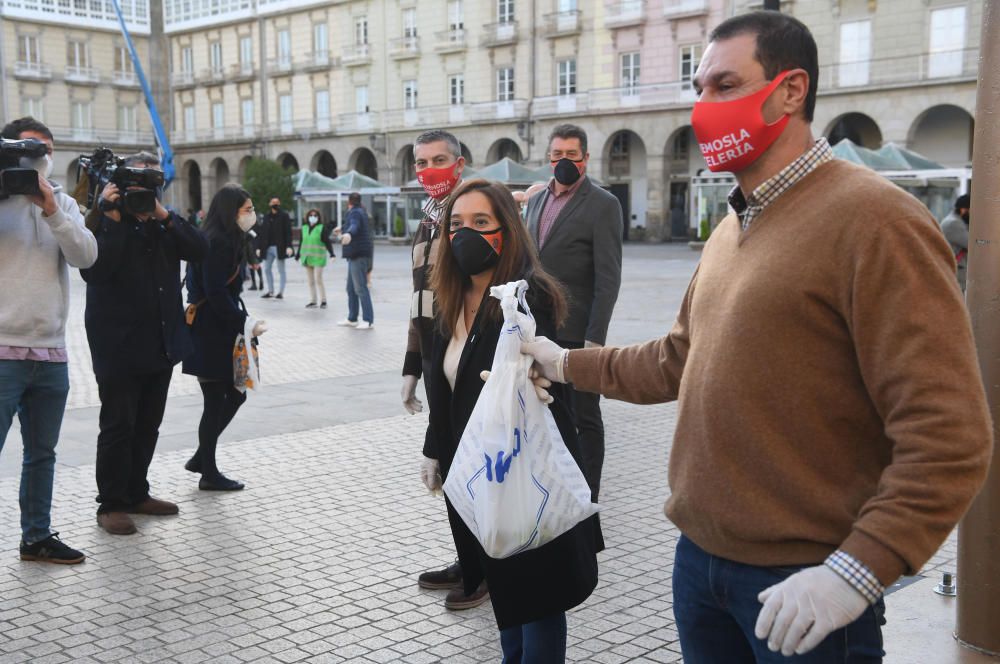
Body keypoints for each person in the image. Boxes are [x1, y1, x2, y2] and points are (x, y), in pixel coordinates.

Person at [521, 11, 992, 662]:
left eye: (723, 85)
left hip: (808, 585)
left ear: (790, 91)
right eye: (698, 90)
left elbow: (950, 437)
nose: (703, 107)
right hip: (700, 570)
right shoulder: (729, 229)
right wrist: (564, 362)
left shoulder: (878, 221)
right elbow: (673, 360)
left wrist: (857, 572)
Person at [422, 179, 598, 660]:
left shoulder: (525, 298)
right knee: (506, 594)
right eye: (456, 224)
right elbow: (446, 388)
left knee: (537, 598)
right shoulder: (450, 298)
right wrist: (434, 447)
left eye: (481, 223)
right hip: (482, 474)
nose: (465, 234)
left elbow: (541, 377)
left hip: (525, 472)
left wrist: (541, 374)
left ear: (507, 230)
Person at [80, 152, 209, 535]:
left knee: (148, 424)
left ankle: (137, 491)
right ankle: (112, 503)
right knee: (118, 424)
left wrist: (163, 215)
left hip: (160, 342)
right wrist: (113, 217)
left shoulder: (162, 224)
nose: (143, 193)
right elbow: (95, 271)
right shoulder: (104, 224)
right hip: (117, 342)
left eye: (150, 185)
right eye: (136, 186)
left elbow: (200, 250)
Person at [0, 116, 97, 563]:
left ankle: (36, 536)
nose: (39, 157)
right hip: (2, 351)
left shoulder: (61, 202)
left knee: (42, 455)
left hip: (52, 353)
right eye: (29, 149)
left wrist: (52, 210)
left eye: (45, 149)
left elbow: (86, 256)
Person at [401, 129, 489, 610]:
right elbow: (419, 299)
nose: (428, 169)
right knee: (452, 467)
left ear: (459, 163)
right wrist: (411, 365)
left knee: (466, 464)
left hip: (466, 357)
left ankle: (482, 573)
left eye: (438, 160)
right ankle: (469, 557)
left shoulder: (469, 214)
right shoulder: (429, 218)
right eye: (420, 162)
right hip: (436, 356)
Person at [524, 124, 623, 502]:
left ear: (585, 159)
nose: (563, 162)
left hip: (578, 333)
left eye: (571, 155)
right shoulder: (535, 201)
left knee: (585, 418)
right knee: (545, 417)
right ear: (548, 158)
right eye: (556, 155)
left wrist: (594, 339)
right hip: (539, 330)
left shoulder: (603, 204)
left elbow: (608, 277)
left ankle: (588, 498)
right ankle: (553, 493)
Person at [183, 184, 268, 491]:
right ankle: (208, 472)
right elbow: (217, 293)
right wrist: (246, 322)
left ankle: (201, 458)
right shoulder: (215, 242)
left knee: (231, 395)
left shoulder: (225, 238)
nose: (252, 215)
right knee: (217, 400)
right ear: (230, 212)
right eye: (247, 210)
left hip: (215, 330)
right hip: (209, 331)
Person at [335, 192, 374, 329]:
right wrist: (343, 229)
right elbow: (353, 225)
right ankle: (352, 318)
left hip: (358, 255)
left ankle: (368, 320)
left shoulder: (355, 213)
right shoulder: (360, 211)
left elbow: (354, 226)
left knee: (360, 288)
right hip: (355, 255)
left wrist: (348, 233)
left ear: (349, 201)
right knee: (351, 288)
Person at [296, 208, 333, 308]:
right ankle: (313, 300)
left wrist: (332, 254)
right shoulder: (304, 228)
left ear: (318, 217)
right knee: (310, 281)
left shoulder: (321, 228)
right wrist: (298, 254)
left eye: (315, 216)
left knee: (318, 279)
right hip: (307, 258)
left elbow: (327, 242)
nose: (313, 217)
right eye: (311, 215)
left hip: (318, 258)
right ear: (308, 217)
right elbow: (301, 242)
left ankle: (323, 300)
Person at [258, 197, 293, 299]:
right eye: (273, 203)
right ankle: (270, 291)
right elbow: (262, 233)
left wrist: (289, 246)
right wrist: (259, 247)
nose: (275, 204)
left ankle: (280, 292)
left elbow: (288, 232)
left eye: (277, 203)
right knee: (267, 269)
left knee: (281, 270)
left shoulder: (284, 216)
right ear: (270, 204)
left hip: (279, 247)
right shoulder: (266, 216)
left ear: (279, 204)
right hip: (267, 248)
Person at [940, 193, 970, 292]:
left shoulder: (955, 221)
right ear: (963, 209)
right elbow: (972, 244)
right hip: (956, 274)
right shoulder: (953, 223)